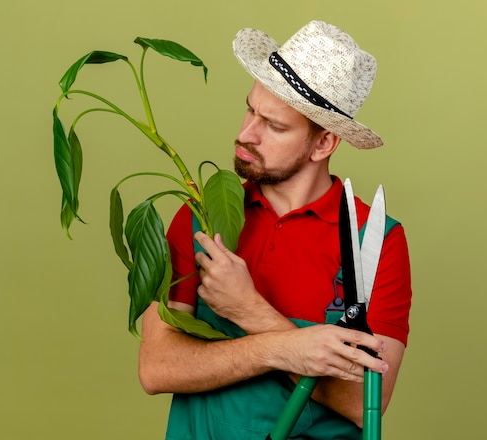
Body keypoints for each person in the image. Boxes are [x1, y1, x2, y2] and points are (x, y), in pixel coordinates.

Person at [138, 20, 412, 439]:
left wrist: (250, 311)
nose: (245, 134)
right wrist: (283, 347)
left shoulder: (374, 241)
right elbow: (157, 368)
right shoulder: (201, 218)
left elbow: (362, 404)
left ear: (323, 144)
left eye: (275, 126)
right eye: (251, 109)